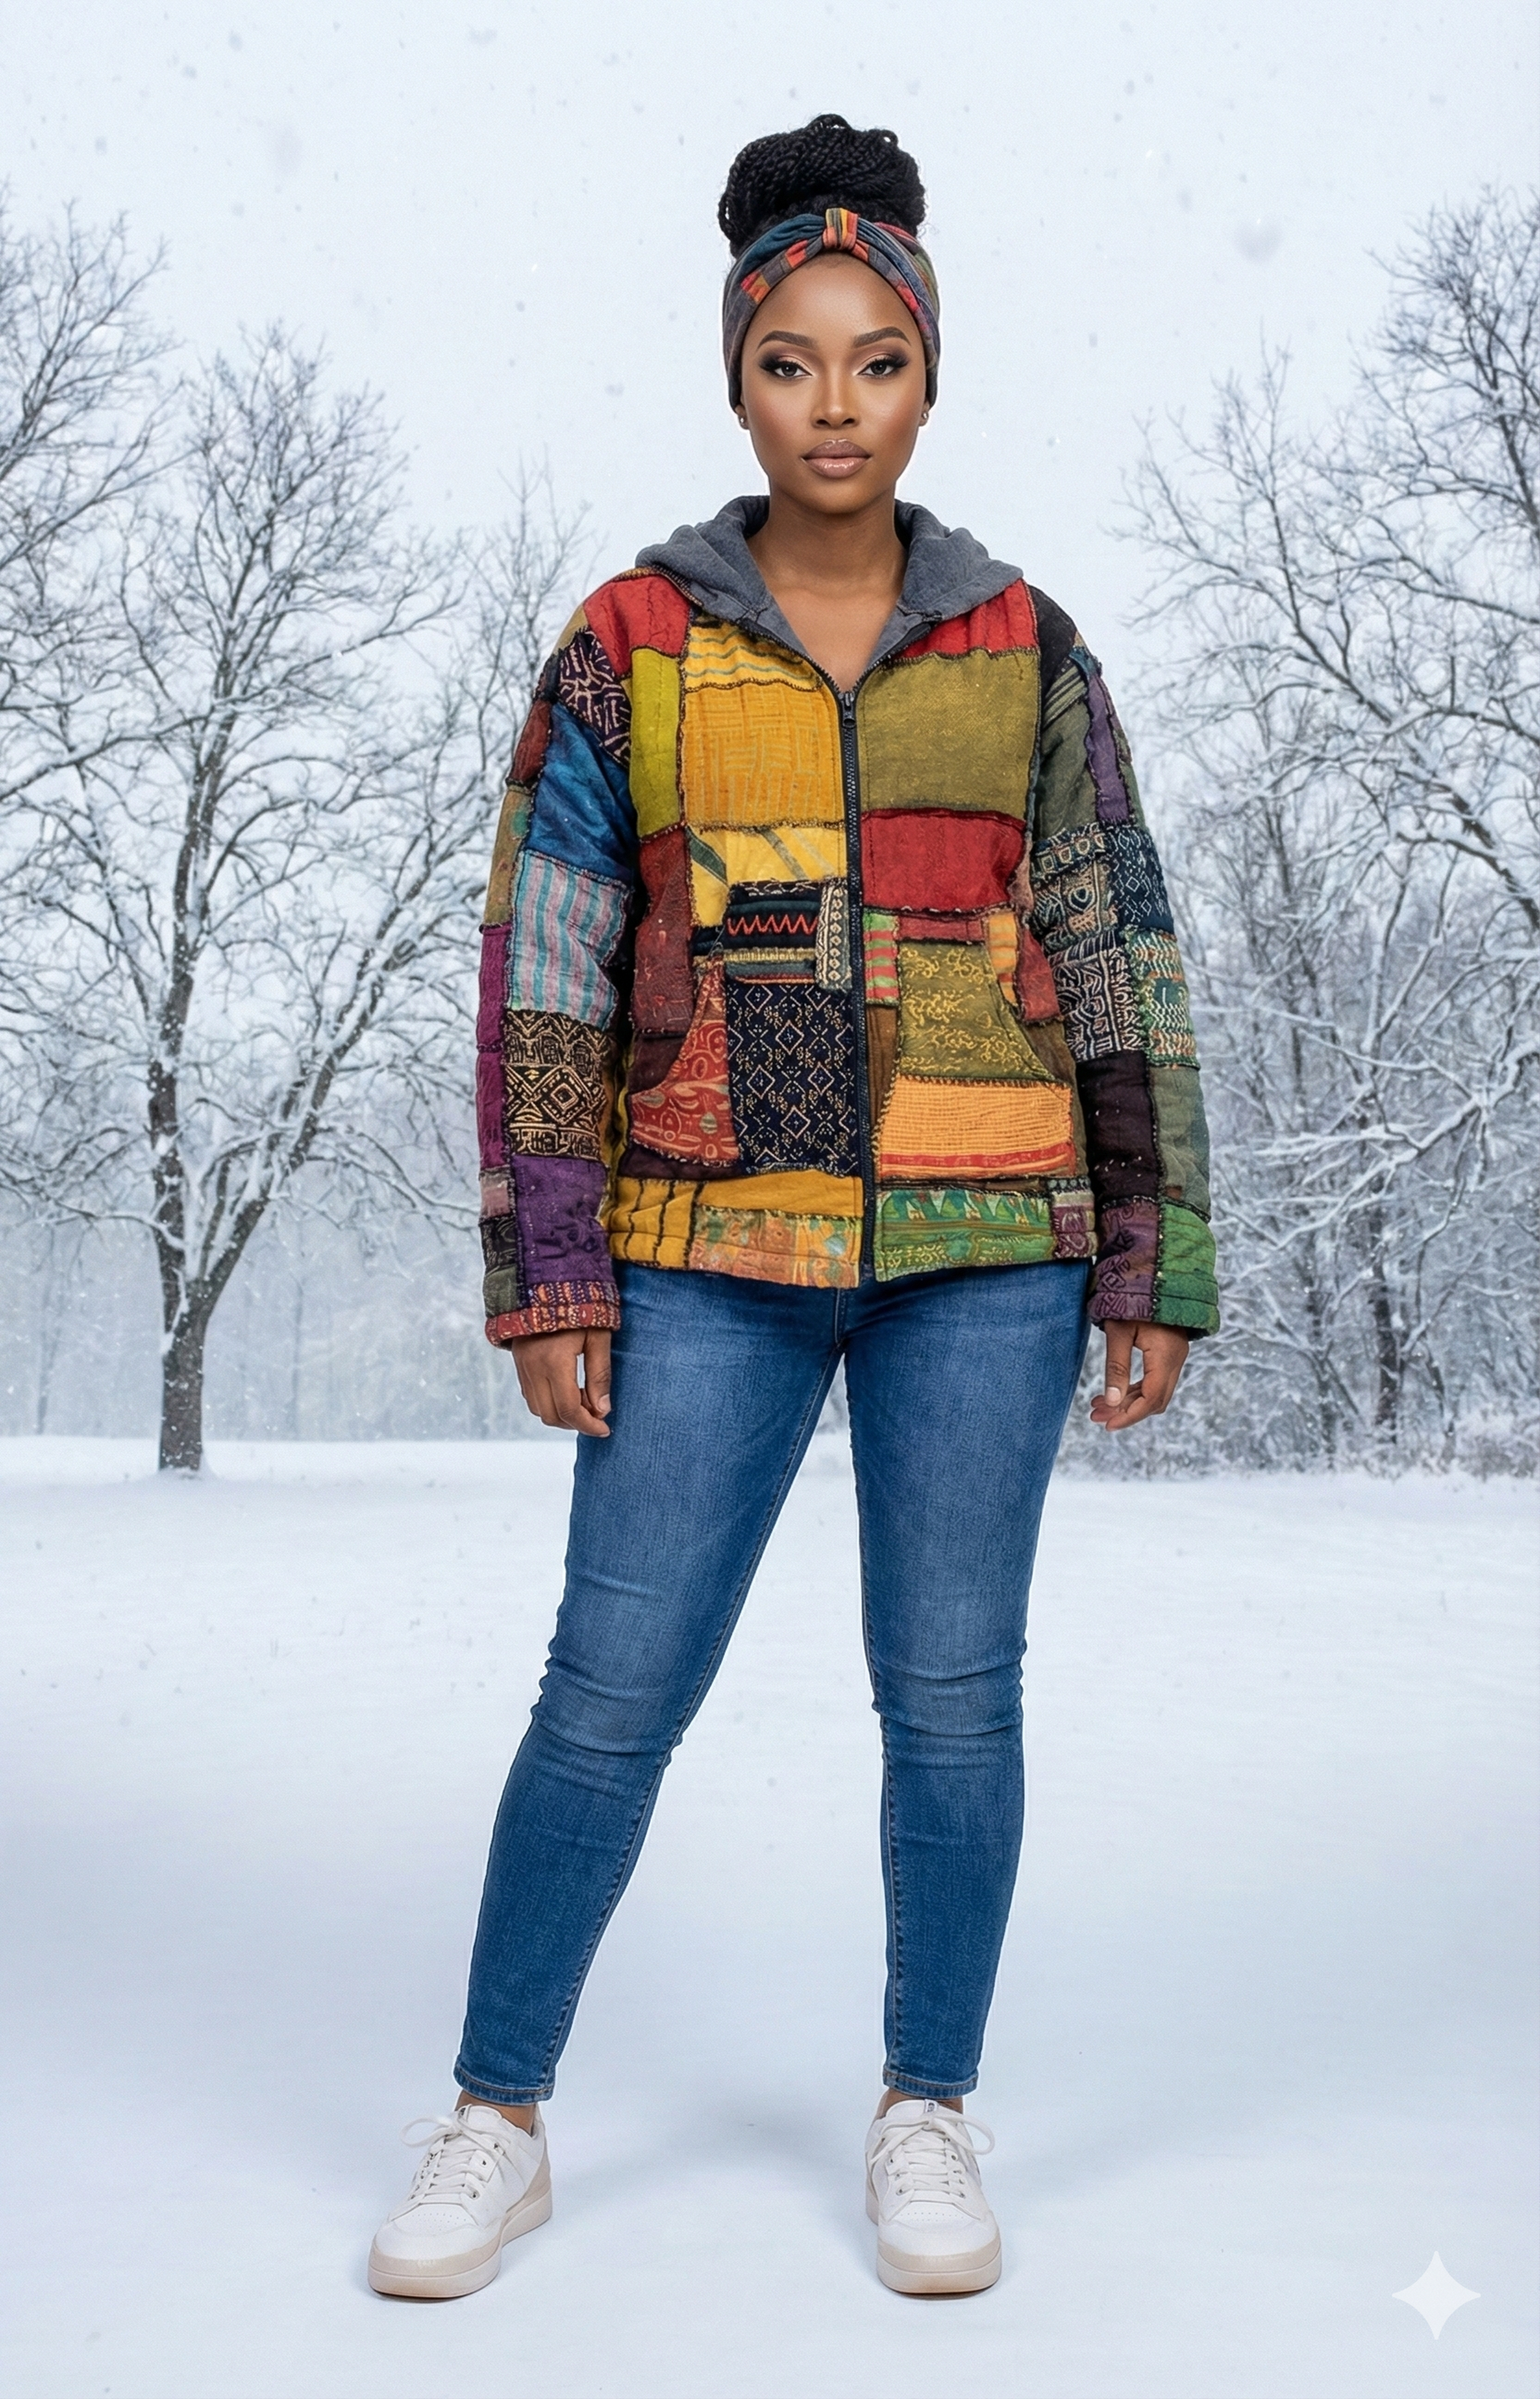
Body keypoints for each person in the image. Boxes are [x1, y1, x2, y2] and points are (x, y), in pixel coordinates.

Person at [368, 112, 1218, 2304]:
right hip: (702, 1251)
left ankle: (927, 2106)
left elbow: (1119, 944)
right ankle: (497, 2113)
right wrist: (548, 1257)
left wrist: (1152, 1241)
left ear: (929, 376)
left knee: (953, 1692)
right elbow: (545, 956)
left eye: (877, 362)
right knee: (611, 1683)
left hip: (984, 1251)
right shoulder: (632, 642)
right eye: (791, 363)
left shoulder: (1023, 648)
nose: (834, 405)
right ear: (736, 373)